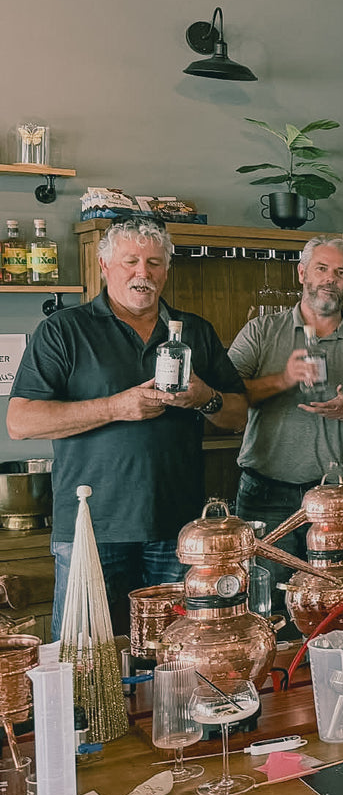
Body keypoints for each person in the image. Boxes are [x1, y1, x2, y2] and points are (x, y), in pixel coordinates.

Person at [7, 216, 248, 636]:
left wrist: (203, 397)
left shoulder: (194, 331)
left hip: (177, 527)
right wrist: (116, 407)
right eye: (131, 261)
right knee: (85, 663)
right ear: (104, 265)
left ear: (167, 270)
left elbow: (239, 414)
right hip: (91, 527)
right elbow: (20, 421)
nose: (143, 273)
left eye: (155, 263)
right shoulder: (64, 330)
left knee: (176, 656)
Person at [229, 236, 343, 577]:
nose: (330, 279)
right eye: (322, 268)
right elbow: (226, 398)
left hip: (341, 497)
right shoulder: (261, 331)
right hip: (268, 494)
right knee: (268, 600)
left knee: (334, 600)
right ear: (302, 273)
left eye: (341, 272)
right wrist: (283, 379)